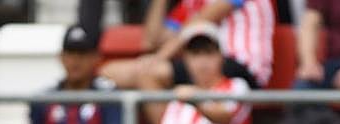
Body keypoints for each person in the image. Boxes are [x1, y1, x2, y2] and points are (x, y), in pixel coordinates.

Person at [99, 0, 275, 92]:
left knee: (149, 74)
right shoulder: (192, 2)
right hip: (204, 63)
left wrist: (157, 59)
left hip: (243, 67)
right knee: (109, 72)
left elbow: (199, 23)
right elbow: (152, 40)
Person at [29, 25, 122, 124]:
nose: (75, 61)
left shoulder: (109, 96)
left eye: (82, 54)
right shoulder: (44, 98)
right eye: (70, 54)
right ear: (61, 57)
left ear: (96, 57)